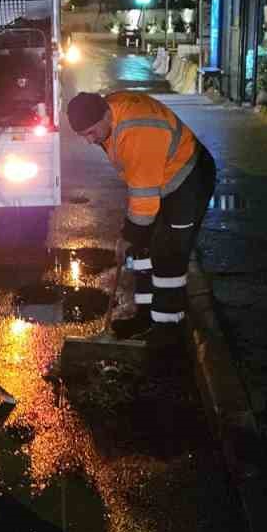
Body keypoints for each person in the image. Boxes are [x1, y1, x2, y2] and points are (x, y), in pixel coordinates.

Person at [66, 89, 216, 349]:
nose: (90, 141)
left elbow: (144, 200)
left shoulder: (138, 133)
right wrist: (133, 237)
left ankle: (168, 331)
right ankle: (145, 318)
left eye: (91, 133)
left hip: (187, 179)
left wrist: (128, 235)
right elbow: (140, 187)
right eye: (83, 136)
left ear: (105, 116)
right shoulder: (109, 114)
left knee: (169, 253)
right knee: (142, 249)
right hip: (157, 179)